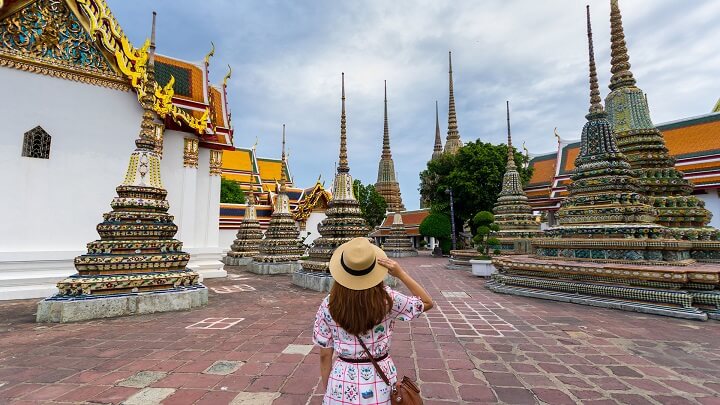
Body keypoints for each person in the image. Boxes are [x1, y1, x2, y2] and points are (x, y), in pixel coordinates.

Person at [313, 237, 434, 404]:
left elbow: (325, 355)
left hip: (342, 378)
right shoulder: (387, 299)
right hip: (380, 376)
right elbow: (427, 302)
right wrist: (401, 274)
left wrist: (329, 390)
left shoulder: (328, 304)